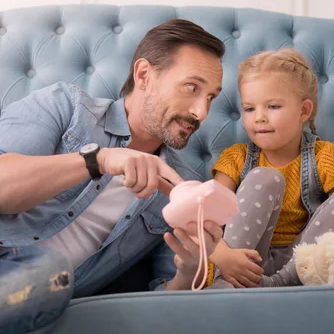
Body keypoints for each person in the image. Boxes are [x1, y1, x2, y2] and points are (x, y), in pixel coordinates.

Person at [0, 19, 225, 333]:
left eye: (211, 98)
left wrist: (189, 270)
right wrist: (100, 160)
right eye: (192, 88)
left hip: (45, 294)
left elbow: (165, 304)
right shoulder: (67, 107)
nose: (201, 112)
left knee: (52, 272)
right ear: (144, 75)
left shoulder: (181, 188)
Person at [208, 48, 334, 288]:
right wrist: (222, 255)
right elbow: (206, 218)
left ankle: (280, 285)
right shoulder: (235, 158)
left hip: (298, 259)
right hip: (242, 258)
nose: (259, 117)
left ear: (303, 111)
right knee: (265, 178)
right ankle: (230, 280)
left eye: (272, 106)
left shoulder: (323, 155)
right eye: (250, 109)